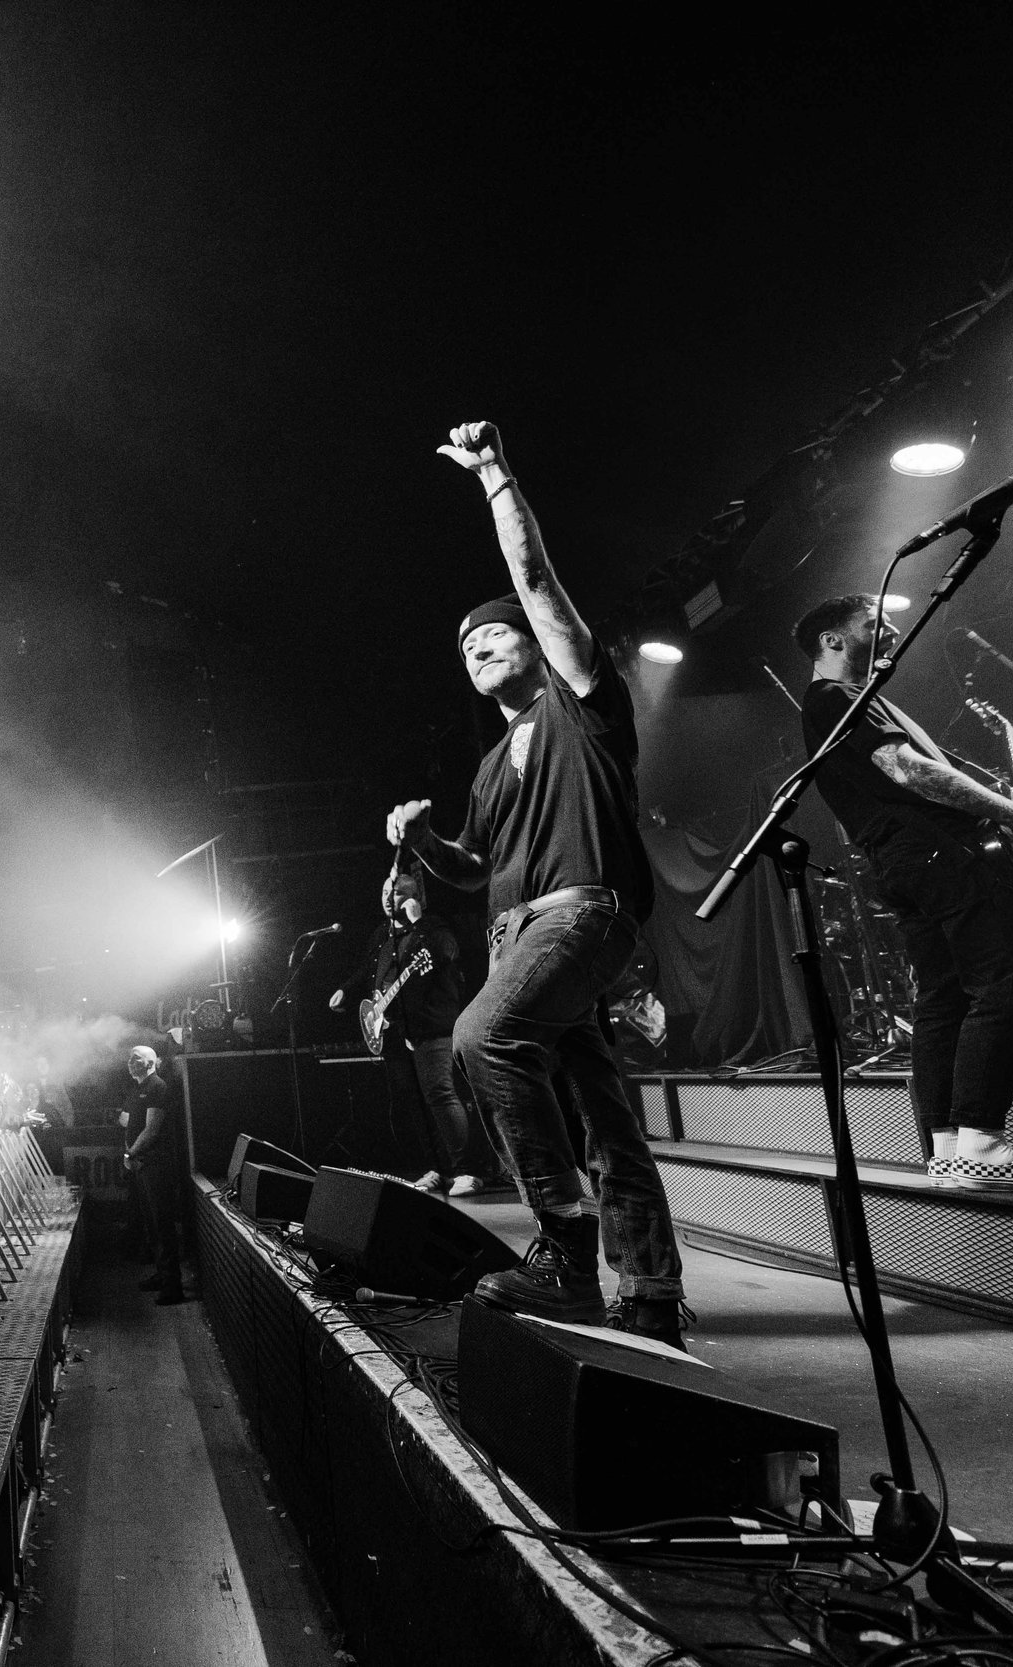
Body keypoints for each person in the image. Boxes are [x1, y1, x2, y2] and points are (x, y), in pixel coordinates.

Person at [389, 420, 685, 1347]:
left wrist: (494, 478)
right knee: (604, 1116)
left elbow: (538, 582)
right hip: (514, 932)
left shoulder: (580, 700)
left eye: (493, 635)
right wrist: (423, 842)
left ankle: (563, 1246)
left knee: (483, 1036)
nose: (476, 648)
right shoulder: (490, 765)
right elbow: (472, 866)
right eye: (465, 647)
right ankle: (651, 1293)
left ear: (536, 642)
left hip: (579, 915)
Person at [791, 593, 1013, 1189]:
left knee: (943, 998)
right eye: (875, 622)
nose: (892, 630)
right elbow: (909, 770)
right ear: (833, 641)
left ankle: (948, 1148)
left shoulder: (847, 702)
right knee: (1009, 984)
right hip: (937, 853)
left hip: (903, 863)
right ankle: (984, 1144)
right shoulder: (836, 698)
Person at [331, 868, 506, 1195]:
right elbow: (368, 970)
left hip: (433, 1026)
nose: (389, 897)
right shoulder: (382, 935)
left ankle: (467, 1170)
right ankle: (437, 1168)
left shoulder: (433, 927)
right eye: (385, 891)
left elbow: (446, 952)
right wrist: (347, 990)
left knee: (440, 1095)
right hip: (396, 1030)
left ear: (415, 897)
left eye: (397, 891)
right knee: (415, 1104)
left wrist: (419, 922)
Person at [121, 1045, 186, 1305]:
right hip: (143, 1164)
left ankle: (173, 1287)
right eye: (130, 1058)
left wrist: (131, 1153)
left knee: (162, 1224)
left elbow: (152, 1129)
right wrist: (131, 1153)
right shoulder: (138, 1089)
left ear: (150, 1063)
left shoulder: (157, 1087)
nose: (130, 1062)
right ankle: (162, 1275)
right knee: (152, 1224)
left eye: (135, 1058)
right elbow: (128, 1122)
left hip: (156, 1165)